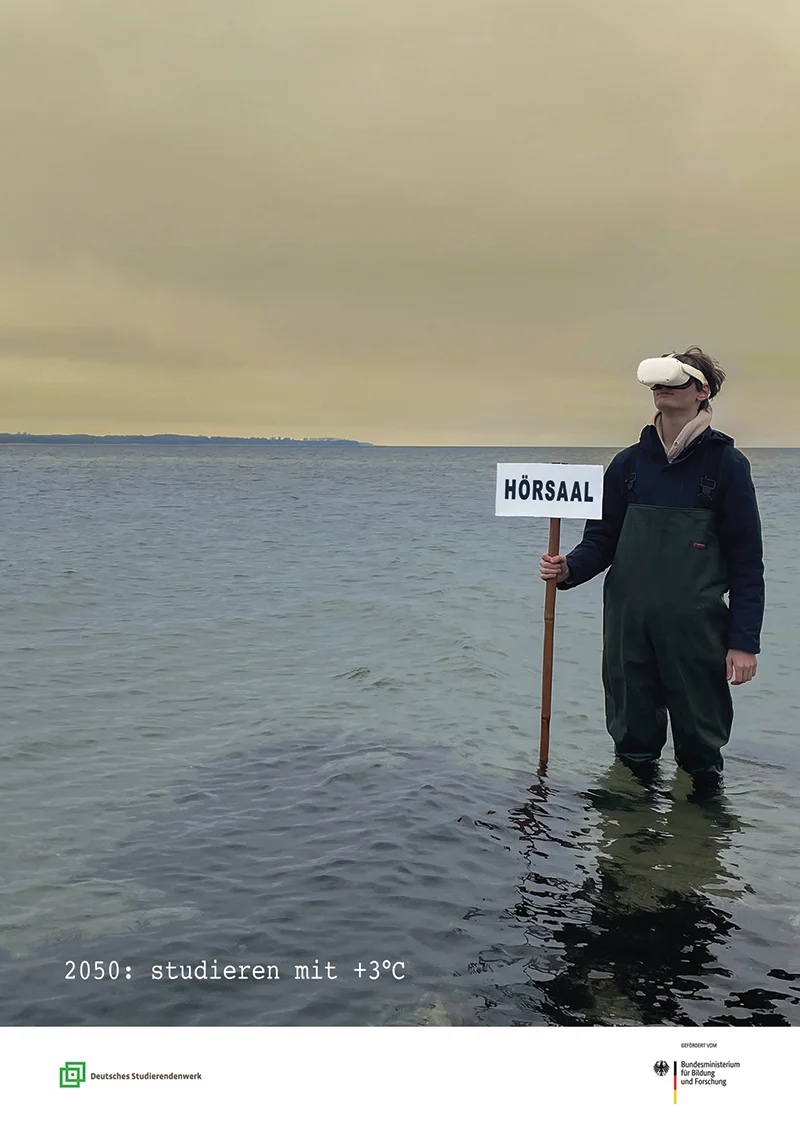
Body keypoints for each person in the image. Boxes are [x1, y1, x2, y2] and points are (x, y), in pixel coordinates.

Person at [539, 347, 765, 800]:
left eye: (676, 381)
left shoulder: (726, 465)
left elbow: (746, 562)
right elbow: (601, 540)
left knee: (700, 741)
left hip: (696, 628)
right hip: (628, 624)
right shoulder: (628, 464)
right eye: (658, 382)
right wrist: (568, 569)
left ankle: (701, 823)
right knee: (632, 736)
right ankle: (632, 820)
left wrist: (744, 642)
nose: (663, 388)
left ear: (702, 391)